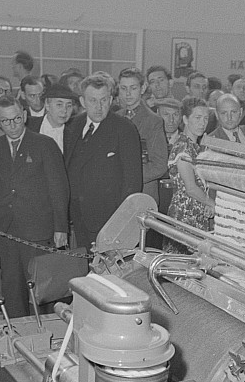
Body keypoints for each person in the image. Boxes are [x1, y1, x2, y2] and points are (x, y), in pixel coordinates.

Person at [0, 95, 69, 319]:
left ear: (25, 115)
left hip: (38, 231)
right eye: (5, 121)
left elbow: (59, 189)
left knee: (40, 289)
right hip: (6, 231)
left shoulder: (44, 145)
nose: (12, 126)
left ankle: (43, 334)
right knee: (12, 287)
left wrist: (60, 228)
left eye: (16, 119)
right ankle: (17, 333)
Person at [64, 74, 142, 249]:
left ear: (111, 100)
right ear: (82, 102)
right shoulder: (73, 126)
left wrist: (120, 222)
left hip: (110, 219)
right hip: (78, 216)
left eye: (104, 100)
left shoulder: (124, 129)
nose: (99, 107)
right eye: (93, 100)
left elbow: (133, 181)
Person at [164, 97, 214, 254]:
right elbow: (191, 188)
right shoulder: (183, 148)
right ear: (185, 119)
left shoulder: (195, 147)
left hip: (197, 212)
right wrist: (211, 203)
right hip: (184, 215)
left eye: (205, 118)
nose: (202, 123)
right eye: (197, 118)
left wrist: (206, 203)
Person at [117, 68, 168, 204]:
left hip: (143, 193)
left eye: (133, 88)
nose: (128, 93)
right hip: (115, 193)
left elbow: (159, 165)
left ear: (143, 88)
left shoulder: (153, 121)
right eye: (123, 88)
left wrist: (126, 177)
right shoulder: (114, 118)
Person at [27, 83, 77, 154]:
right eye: (59, 105)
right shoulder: (28, 126)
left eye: (69, 106)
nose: (64, 110)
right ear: (47, 105)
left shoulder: (75, 133)